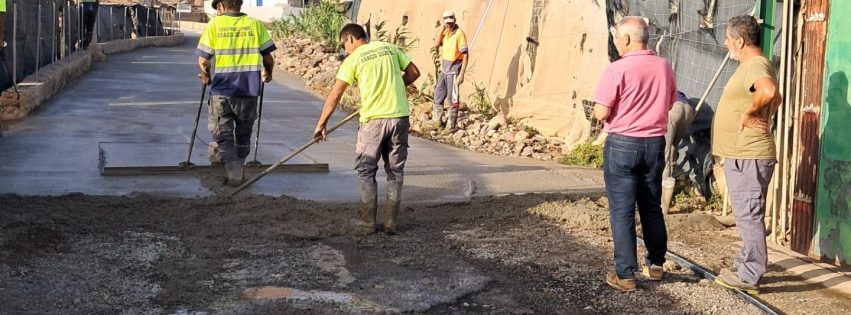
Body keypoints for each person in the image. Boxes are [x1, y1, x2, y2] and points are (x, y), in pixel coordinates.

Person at [593, 16, 676, 292]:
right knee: (651, 205)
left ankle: (626, 274)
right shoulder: (665, 66)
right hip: (654, 144)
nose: (616, 42)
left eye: (617, 37)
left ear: (627, 39)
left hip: (623, 144)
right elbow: (672, 101)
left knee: (622, 210)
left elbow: (601, 112)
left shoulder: (617, 69)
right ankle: (656, 264)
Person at [313, 24, 421, 235]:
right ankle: (390, 222)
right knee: (395, 171)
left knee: (366, 170)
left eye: (344, 44)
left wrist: (322, 123)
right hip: (399, 117)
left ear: (351, 38)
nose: (345, 50)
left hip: (373, 121)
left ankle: (367, 221)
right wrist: (397, 84)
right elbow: (414, 72)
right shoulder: (389, 48)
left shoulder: (353, 59)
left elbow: (335, 94)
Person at [712, 15, 781, 295]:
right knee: (745, 214)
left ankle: (751, 275)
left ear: (740, 41)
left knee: (749, 215)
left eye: (728, 39)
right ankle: (745, 264)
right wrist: (761, 113)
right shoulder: (753, 66)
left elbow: (769, 92)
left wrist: (750, 113)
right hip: (745, 154)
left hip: (749, 156)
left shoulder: (755, 65)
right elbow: (776, 100)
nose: (727, 44)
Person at [196, 0, 276, 187]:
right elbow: (268, 58)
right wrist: (268, 74)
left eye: (217, 8)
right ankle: (238, 164)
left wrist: (206, 76)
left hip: (223, 89)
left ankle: (234, 173)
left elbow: (203, 61)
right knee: (243, 133)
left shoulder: (215, 25)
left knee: (223, 134)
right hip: (248, 90)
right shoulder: (255, 24)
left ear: (222, 6)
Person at [429, 10, 468, 132]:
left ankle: (451, 126)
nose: (449, 25)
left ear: (455, 20)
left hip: (454, 71)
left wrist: (461, 74)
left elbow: (466, 55)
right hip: (444, 70)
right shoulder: (445, 32)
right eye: (447, 23)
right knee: (438, 96)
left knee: (453, 99)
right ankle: (437, 121)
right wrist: (442, 30)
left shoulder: (459, 34)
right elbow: (435, 45)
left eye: (451, 22)